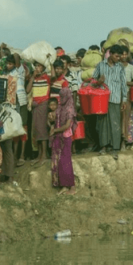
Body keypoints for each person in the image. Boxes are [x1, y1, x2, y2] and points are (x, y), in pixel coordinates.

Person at [91, 45, 128, 159]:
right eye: (117, 56)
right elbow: (92, 81)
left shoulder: (120, 67)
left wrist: (124, 100)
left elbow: (123, 84)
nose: (119, 58)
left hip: (115, 99)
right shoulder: (100, 65)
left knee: (115, 123)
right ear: (111, 54)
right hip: (101, 99)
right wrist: (98, 82)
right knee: (102, 124)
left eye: (120, 56)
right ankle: (103, 147)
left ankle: (114, 148)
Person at [50, 59, 77, 195]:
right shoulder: (60, 107)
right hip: (59, 137)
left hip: (65, 137)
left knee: (66, 162)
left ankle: (71, 186)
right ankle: (63, 186)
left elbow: (67, 125)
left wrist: (55, 130)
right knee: (60, 162)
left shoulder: (69, 109)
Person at [122, 50, 133, 150]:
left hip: (127, 95)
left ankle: (125, 141)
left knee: (126, 118)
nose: (124, 56)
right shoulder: (115, 67)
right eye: (122, 54)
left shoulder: (131, 67)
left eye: (126, 54)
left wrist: (125, 83)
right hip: (116, 95)